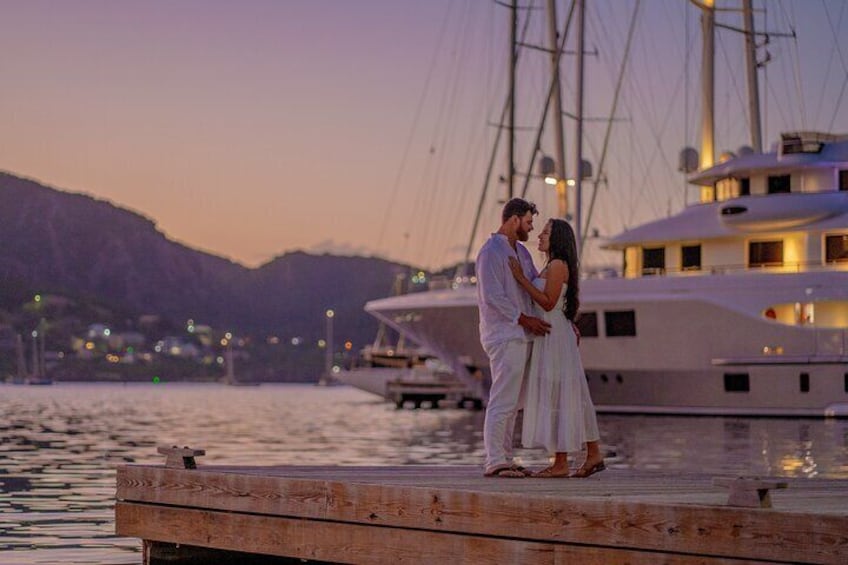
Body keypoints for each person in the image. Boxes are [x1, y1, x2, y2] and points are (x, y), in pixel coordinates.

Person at [508, 218, 605, 478]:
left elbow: (549, 303)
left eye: (546, 232)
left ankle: (563, 462)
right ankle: (586, 454)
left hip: (554, 337)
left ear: (558, 238)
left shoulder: (559, 265)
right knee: (564, 393)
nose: (539, 235)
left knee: (561, 393)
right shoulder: (551, 266)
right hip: (551, 334)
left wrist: (520, 279)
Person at [476, 197, 551, 478]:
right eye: (529, 222)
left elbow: (532, 286)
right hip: (504, 334)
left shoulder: (522, 253)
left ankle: (506, 456)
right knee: (503, 398)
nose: (531, 229)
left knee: (514, 401)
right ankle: (495, 459)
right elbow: (492, 296)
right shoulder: (490, 253)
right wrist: (523, 319)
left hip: (521, 334)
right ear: (514, 219)